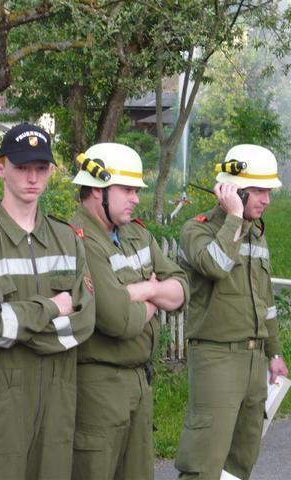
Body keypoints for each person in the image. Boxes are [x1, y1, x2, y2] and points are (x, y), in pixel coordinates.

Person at [0, 123, 96, 480]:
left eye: (41, 168)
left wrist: (17, 327)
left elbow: (84, 322)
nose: (32, 177)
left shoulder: (67, 239)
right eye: (21, 167)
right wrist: (51, 307)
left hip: (56, 409)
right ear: (1, 168)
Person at [70, 143, 188, 480]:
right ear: (96, 190)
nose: (135, 198)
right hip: (98, 387)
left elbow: (182, 290)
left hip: (140, 382)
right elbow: (117, 319)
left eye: (136, 190)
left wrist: (145, 290)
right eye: (127, 189)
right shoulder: (78, 239)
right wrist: (155, 297)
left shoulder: (137, 233)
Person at [175, 144, 290, 480]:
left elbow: (265, 302)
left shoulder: (257, 235)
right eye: (259, 191)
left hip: (254, 362)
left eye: (269, 191)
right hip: (216, 357)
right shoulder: (197, 230)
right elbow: (216, 265)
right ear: (233, 190)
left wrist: (275, 352)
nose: (267, 199)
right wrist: (234, 218)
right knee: (204, 459)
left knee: (241, 458)